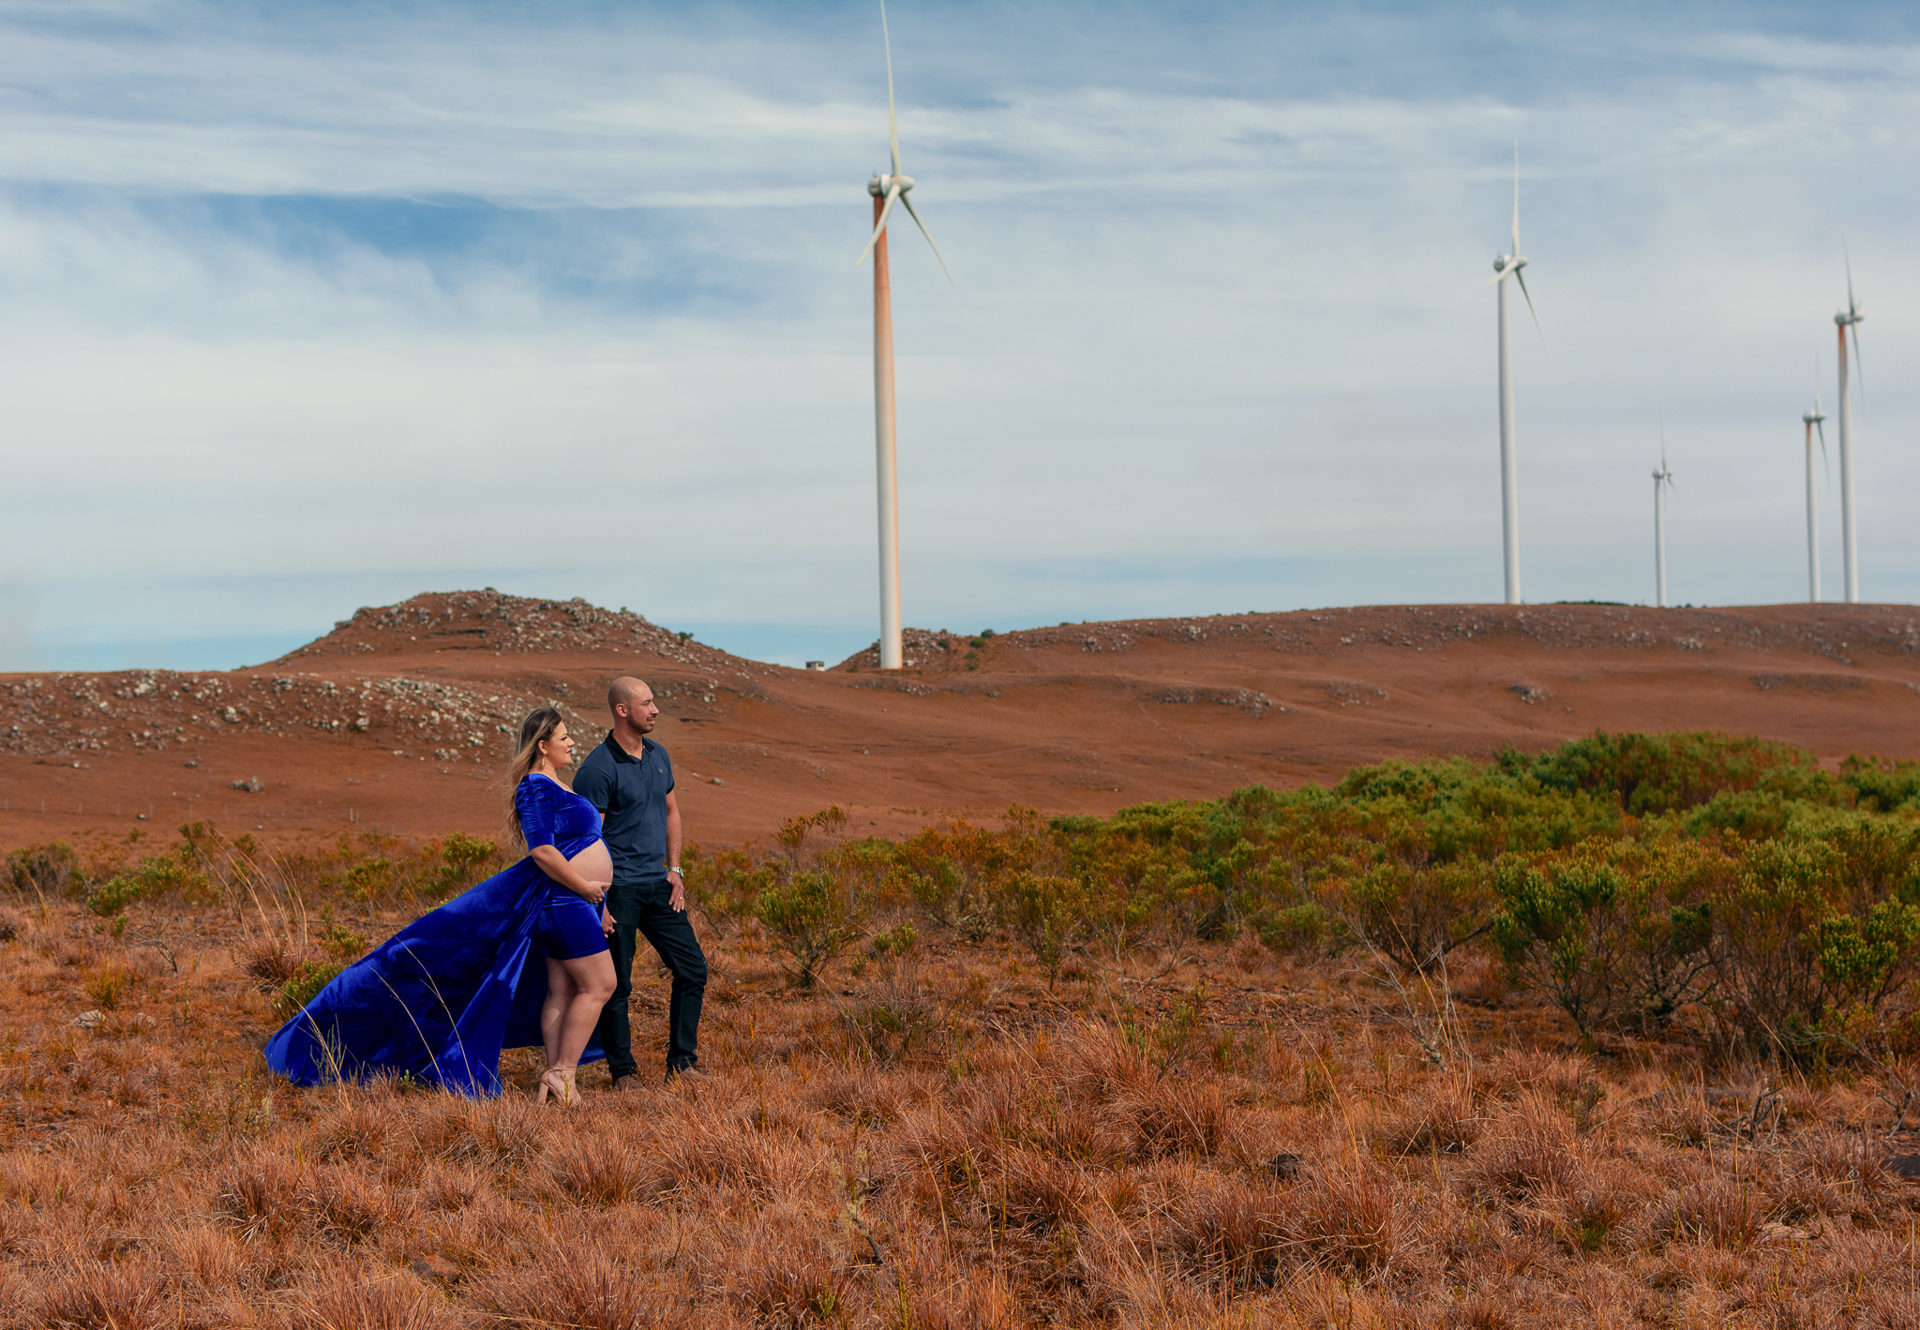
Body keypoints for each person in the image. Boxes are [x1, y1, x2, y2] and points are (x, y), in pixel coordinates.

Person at [263, 707, 617, 1104]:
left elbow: (574, 846)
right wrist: (584, 888)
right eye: (564, 737)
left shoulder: (556, 784)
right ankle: (562, 1072)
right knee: (601, 984)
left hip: (576, 901)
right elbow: (543, 851)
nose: (571, 742)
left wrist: (599, 902)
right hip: (564, 900)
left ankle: (556, 1079)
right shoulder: (535, 786)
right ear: (543, 746)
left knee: (562, 988)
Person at [573, 676, 707, 1086]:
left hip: (658, 885)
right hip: (618, 892)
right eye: (646, 703)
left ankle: (682, 1064)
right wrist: (598, 903)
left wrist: (675, 869)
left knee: (693, 969)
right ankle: (623, 1072)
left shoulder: (659, 754)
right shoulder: (597, 769)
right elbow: (586, 840)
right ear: (622, 710)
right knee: (617, 984)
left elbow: (671, 812)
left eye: (653, 702)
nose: (655, 710)